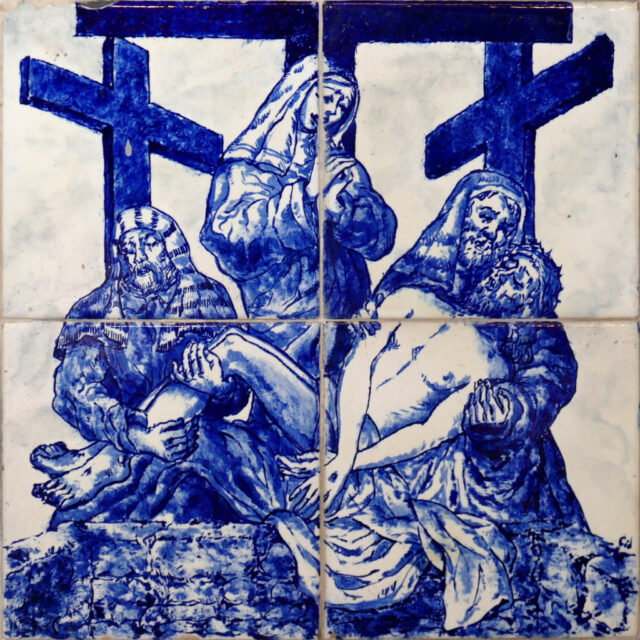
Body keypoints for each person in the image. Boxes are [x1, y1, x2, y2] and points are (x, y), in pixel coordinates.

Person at [31, 205, 251, 523]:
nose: (139, 258)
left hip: (194, 438)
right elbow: (75, 393)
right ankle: (101, 462)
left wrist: (218, 388)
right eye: (129, 248)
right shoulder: (95, 309)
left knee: (189, 503)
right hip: (125, 435)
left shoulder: (208, 298)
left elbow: (238, 392)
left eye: (150, 244)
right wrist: (140, 438)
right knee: (78, 521)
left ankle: (94, 463)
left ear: (171, 247)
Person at [200, 54, 396, 371]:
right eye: (326, 97)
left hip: (346, 318)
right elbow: (230, 240)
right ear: (299, 93)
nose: (333, 111)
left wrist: (343, 214)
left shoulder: (342, 165)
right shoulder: (245, 167)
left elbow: (380, 239)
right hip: (283, 321)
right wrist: (305, 203)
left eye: (343, 106)